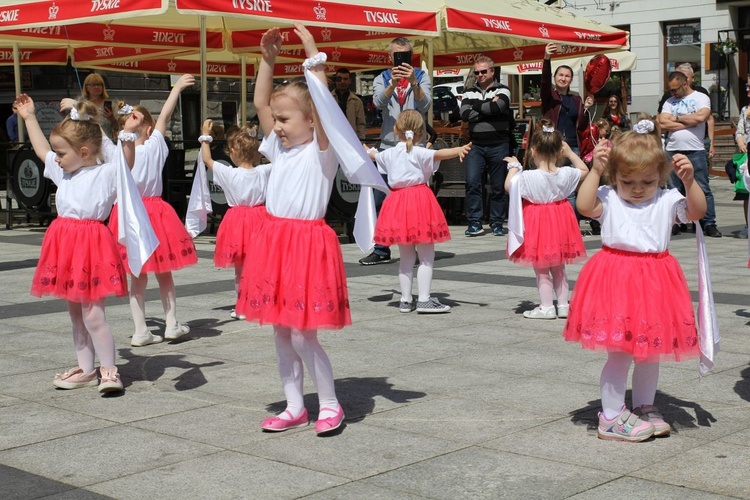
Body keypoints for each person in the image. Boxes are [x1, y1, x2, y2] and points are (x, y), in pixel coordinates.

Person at [237, 23, 364, 435]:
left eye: (285, 119)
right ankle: (294, 405)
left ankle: (329, 403)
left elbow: (325, 106)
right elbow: (260, 102)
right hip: (274, 240)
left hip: (306, 244)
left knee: (304, 334)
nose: (276, 126)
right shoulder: (279, 147)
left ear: (311, 120)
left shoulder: (321, 151)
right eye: (276, 119)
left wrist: (313, 54)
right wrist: (267, 60)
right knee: (280, 331)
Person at [564, 118, 707, 442]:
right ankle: (611, 416)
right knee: (620, 351)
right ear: (616, 177)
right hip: (617, 278)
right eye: (628, 181)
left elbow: (697, 211)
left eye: (648, 181)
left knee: (650, 350)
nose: (639, 189)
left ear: (660, 175)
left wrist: (690, 182)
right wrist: (596, 171)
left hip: (656, 280)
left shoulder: (667, 199)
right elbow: (584, 206)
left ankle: (644, 405)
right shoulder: (609, 196)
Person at [14, 94, 147, 394]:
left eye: (62, 153)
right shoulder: (64, 172)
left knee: (93, 312)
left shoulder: (103, 173)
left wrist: (128, 134)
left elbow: (125, 164)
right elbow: (42, 150)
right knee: (75, 312)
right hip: (65, 244)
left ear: (84, 151)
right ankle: (86, 368)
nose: (56, 158)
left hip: (91, 246)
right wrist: (29, 117)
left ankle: (109, 370)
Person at [104, 75, 197, 347]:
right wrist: (177, 88)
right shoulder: (156, 145)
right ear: (148, 128)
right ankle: (171, 324)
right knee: (164, 273)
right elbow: (166, 115)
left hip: (129, 213)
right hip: (155, 213)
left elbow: (100, 136)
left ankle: (141, 329)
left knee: (137, 275)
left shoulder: (117, 151)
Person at [367, 109, 471, 313]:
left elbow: (373, 155)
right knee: (426, 256)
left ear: (395, 130)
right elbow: (440, 153)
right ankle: (424, 299)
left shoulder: (388, 154)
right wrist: (459, 148)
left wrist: (365, 149)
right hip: (420, 202)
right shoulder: (421, 152)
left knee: (405, 257)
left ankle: (405, 300)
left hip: (396, 202)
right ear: (421, 133)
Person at [504, 118, 588, 319]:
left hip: (538, 222)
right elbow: (584, 170)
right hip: (560, 219)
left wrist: (514, 166)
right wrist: (570, 153)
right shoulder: (566, 174)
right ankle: (563, 305)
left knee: (541, 267)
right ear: (559, 152)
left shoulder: (528, 177)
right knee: (559, 266)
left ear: (533, 151)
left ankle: (546, 306)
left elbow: (509, 186)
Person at [360, 37, 431, 265]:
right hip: (389, 144)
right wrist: (392, 83)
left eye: (406, 54)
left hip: (414, 146)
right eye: (397, 55)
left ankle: (418, 246)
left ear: (411, 56)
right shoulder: (382, 77)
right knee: (381, 198)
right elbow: (378, 103)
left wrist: (413, 82)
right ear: (391, 57)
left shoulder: (420, 75)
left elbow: (426, 105)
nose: (401, 59)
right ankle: (381, 249)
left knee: (415, 200)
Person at [200, 119, 271, 319]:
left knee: (240, 268)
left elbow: (207, 160)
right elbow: (282, 164)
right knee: (260, 265)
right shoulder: (263, 171)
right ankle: (260, 301)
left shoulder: (229, 173)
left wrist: (206, 136)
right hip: (260, 218)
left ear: (232, 153)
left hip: (237, 221)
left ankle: (242, 304)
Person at [658, 71, 721, 237]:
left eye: (674, 90)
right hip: (673, 149)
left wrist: (676, 118)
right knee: (673, 189)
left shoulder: (701, 97)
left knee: (702, 187)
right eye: (670, 90)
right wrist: (687, 122)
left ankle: (708, 223)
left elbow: (700, 117)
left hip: (695, 150)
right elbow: (662, 122)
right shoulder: (669, 101)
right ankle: (676, 222)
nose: (672, 93)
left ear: (685, 84)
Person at [460, 56, 514, 237]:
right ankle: (475, 222)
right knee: (473, 183)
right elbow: (465, 114)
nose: (480, 75)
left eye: (483, 71)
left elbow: (498, 107)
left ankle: (497, 222)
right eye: (477, 72)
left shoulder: (504, 90)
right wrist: (487, 107)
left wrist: (478, 107)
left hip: (499, 144)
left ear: (492, 71)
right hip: (475, 145)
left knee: (498, 186)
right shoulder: (468, 91)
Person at [541, 43, 594, 154]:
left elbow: (582, 125)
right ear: (554, 78)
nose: (563, 78)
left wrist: (586, 108)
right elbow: (544, 80)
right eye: (560, 75)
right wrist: (547, 58)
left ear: (571, 80)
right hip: (553, 145)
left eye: (567, 76)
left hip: (573, 148)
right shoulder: (549, 96)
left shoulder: (577, 99)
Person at [60, 73, 119, 140]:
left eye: (99, 84)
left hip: (106, 142)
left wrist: (112, 119)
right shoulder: (81, 104)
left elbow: (119, 128)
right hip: (87, 141)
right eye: (93, 84)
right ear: (86, 87)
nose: (96, 87)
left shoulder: (111, 105)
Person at [732, 79, 750, 239]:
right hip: (748, 154)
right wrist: (740, 140)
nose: (748, 90)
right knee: (746, 191)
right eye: (747, 86)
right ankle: (748, 225)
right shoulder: (745, 109)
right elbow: (740, 130)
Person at [332, 68, 366, 141]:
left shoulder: (357, 101)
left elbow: (361, 123)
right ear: (335, 80)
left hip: (351, 139)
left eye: (345, 79)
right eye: (339, 79)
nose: (342, 81)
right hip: (333, 139)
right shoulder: (328, 99)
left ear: (350, 81)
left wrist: (361, 140)